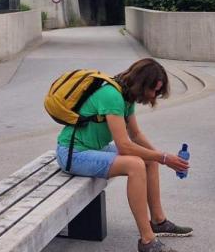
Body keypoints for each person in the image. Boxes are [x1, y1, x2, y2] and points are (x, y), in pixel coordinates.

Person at [55, 58, 191, 252]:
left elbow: (135, 134)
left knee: (149, 160)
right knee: (135, 165)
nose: (153, 95)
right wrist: (163, 157)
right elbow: (125, 146)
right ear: (141, 83)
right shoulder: (112, 95)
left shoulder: (126, 96)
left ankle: (158, 221)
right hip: (73, 153)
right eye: (153, 90)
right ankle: (147, 240)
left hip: (92, 149)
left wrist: (160, 157)